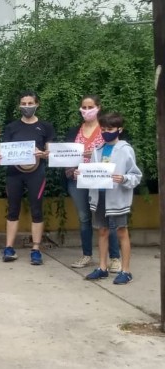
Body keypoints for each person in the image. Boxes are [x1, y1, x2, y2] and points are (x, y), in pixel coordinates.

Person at [0, 91, 55, 265]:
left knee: (37, 210)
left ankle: (36, 249)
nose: (27, 107)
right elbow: (4, 152)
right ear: (19, 105)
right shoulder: (11, 127)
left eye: (30, 103)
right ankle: (8, 248)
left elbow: (50, 154)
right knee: (13, 209)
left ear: (37, 104)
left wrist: (42, 154)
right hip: (14, 174)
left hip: (37, 174)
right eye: (24, 103)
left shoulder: (45, 127)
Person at [80, 113, 141, 285]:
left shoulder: (126, 150)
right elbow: (92, 172)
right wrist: (81, 173)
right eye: (104, 129)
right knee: (102, 231)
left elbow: (135, 175)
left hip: (117, 197)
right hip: (99, 196)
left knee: (121, 231)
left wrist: (123, 179)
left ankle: (126, 270)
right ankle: (102, 267)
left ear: (119, 130)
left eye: (110, 129)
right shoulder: (97, 151)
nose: (107, 132)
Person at [65, 95, 120, 271]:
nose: (86, 111)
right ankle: (87, 255)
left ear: (98, 107)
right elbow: (66, 156)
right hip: (78, 180)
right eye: (84, 107)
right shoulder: (74, 131)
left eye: (90, 107)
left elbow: (115, 153)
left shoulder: (106, 130)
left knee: (107, 219)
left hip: (101, 180)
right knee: (84, 218)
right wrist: (68, 168)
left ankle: (115, 258)